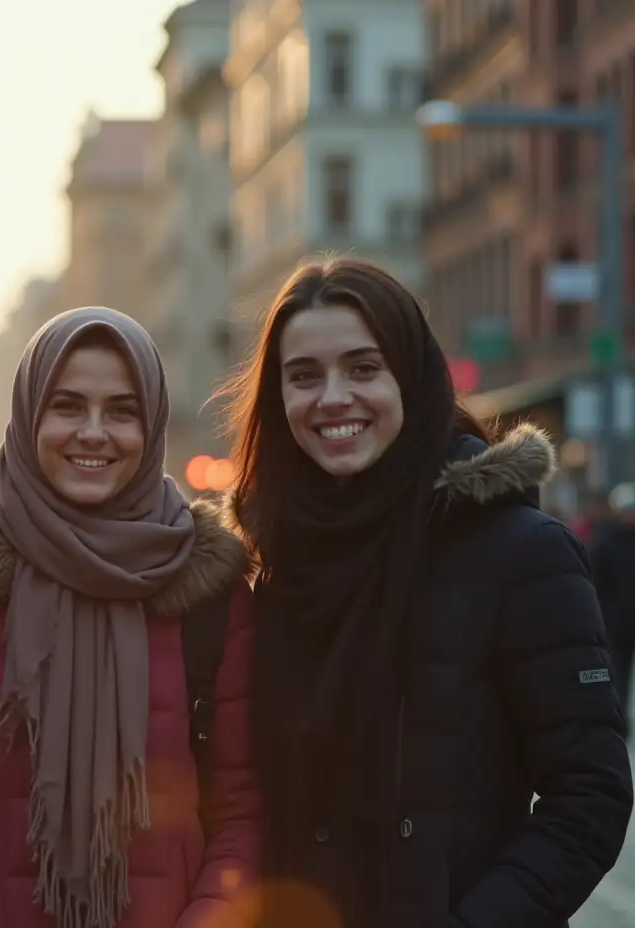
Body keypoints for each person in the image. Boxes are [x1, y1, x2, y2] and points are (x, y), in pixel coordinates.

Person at [224, 258, 633, 927]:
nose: (333, 397)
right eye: (304, 376)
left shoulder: (521, 553)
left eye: (363, 368)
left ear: (410, 379)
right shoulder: (266, 570)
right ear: (279, 401)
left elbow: (590, 797)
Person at [0, 308, 261, 928]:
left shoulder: (213, 598)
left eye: (121, 411)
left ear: (152, 426)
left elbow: (243, 814)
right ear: (28, 415)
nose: (94, 432)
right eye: (67, 406)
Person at [592, 481, 635, 732]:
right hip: (617, 625)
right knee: (618, 674)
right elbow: (597, 586)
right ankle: (619, 721)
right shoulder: (605, 543)